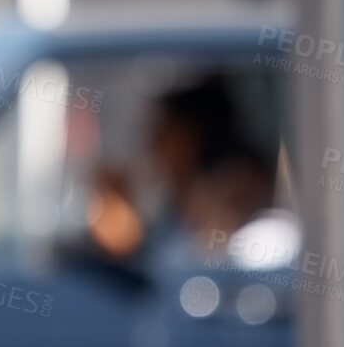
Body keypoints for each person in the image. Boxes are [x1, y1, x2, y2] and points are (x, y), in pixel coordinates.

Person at [86, 73, 277, 261]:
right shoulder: (175, 194)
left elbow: (211, 243)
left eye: (163, 126)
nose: (154, 140)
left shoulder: (235, 180)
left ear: (189, 133)